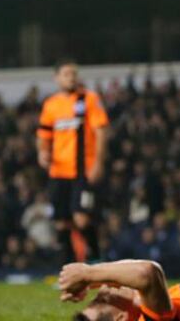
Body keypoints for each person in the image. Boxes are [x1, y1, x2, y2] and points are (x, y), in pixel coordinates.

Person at [38, 59, 111, 263]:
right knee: (61, 222)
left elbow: (101, 131)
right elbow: (44, 134)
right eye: (66, 74)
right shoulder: (51, 105)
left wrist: (98, 162)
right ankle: (68, 269)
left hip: (83, 171)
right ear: (57, 78)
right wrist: (42, 152)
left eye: (73, 74)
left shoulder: (88, 99)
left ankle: (96, 259)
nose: (71, 78)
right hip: (58, 172)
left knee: (82, 219)